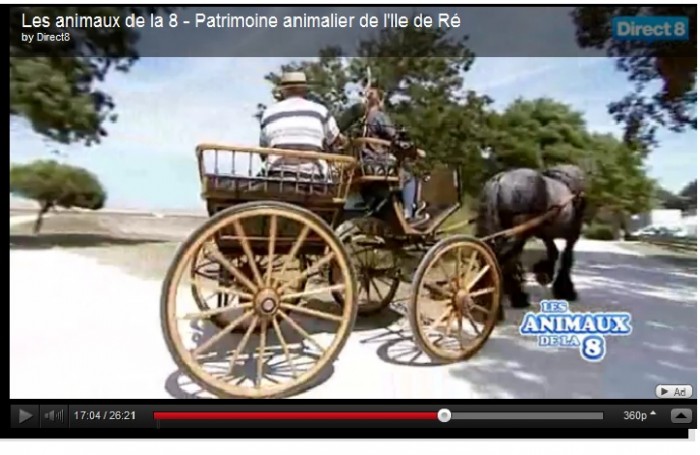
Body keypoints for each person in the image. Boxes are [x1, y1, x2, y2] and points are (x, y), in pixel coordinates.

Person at [361, 87, 428, 226]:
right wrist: (415, 151)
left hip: (366, 163)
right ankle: (409, 215)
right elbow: (396, 138)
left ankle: (396, 209)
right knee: (409, 176)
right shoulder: (378, 116)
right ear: (381, 101)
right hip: (378, 163)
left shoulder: (363, 119)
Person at [259, 72, 343, 179]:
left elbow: (263, 152)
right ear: (304, 89)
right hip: (313, 177)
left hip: (277, 176)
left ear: (283, 90)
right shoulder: (320, 111)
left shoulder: (269, 113)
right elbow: (335, 141)